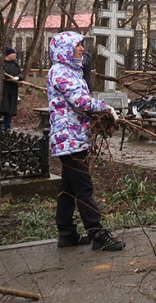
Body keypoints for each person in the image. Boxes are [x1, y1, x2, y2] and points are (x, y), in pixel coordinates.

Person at [46, 31, 125, 251]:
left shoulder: (71, 71)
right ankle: (97, 234)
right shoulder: (60, 72)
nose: (82, 49)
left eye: (82, 45)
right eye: (77, 46)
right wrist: (106, 107)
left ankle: (66, 232)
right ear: (64, 50)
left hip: (76, 137)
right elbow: (80, 101)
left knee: (69, 186)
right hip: (69, 139)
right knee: (83, 187)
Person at [0, 47, 22, 131]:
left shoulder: (15, 64)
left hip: (12, 90)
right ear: (8, 55)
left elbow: (21, 74)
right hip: (3, 89)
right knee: (2, 108)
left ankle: (7, 127)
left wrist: (18, 77)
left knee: (9, 110)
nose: (15, 54)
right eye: (13, 53)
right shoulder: (1, 64)